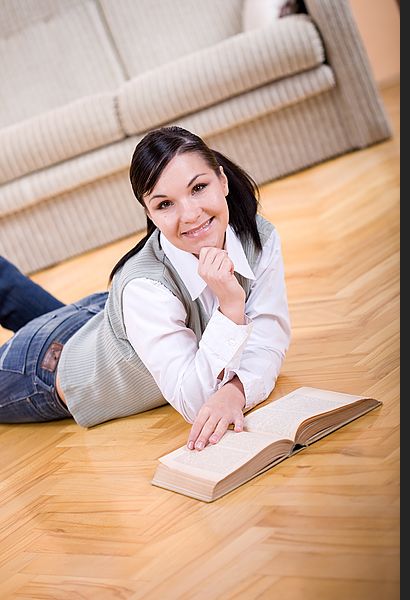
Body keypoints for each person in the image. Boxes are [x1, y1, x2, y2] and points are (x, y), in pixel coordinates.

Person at [0, 126, 291, 451]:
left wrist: (234, 391)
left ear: (222, 181)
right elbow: (196, 401)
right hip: (48, 365)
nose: (191, 214)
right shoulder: (144, 287)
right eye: (165, 204)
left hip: (106, 320)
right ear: (149, 212)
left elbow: (270, 338)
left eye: (198, 187)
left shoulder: (260, 238)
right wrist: (231, 306)